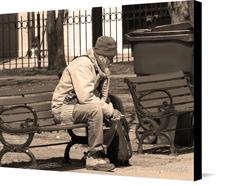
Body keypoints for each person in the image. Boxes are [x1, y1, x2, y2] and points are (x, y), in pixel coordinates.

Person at [51, 36, 123, 172]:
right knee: (96, 110)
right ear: (102, 56)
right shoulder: (83, 65)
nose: (111, 63)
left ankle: (106, 152)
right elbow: (86, 98)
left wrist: (106, 77)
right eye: (110, 58)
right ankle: (93, 156)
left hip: (77, 107)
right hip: (63, 109)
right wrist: (109, 110)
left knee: (107, 108)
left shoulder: (97, 67)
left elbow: (100, 98)